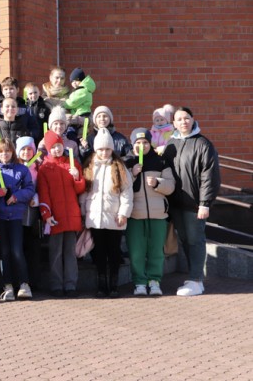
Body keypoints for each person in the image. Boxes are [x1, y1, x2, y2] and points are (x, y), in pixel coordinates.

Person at [163, 107, 220, 296]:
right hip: (176, 204)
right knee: (185, 240)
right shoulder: (171, 143)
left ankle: (196, 280)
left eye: (186, 118)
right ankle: (194, 277)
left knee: (196, 240)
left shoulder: (203, 144)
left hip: (195, 204)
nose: (183, 122)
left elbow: (209, 176)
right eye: (179, 119)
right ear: (174, 123)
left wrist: (205, 203)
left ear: (193, 120)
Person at [80, 128, 133, 298]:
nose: (104, 152)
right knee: (99, 252)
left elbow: (127, 192)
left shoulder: (119, 166)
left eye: (107, 149)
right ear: (96, 149)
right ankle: (102, 284)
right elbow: (84, 192)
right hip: (95, 217)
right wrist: (83, 212)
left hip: (114, 216)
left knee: (114, 251)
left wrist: (123, 213)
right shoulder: (89, 166)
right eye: (101, 149)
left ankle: (114, 284)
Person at [124, 128, 175, 297]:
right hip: (135, 215)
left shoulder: (161, 162)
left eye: (145, 142)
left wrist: (158, 183)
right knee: (136, 251)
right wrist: (133, 174)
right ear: (132, 144)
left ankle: (154, 281)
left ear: (150, 143)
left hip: (158, 214)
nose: (142, 146)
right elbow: (119, 187)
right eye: (138, 143)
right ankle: (139, 282)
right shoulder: (127, 162)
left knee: (156, 251)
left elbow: (170, 186)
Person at [0, 139, 36, 301]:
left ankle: (24, 284)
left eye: (7, 151)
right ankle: (7, 286)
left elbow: (29, 189)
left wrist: (15, 196)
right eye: (0, 152)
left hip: (16, 216)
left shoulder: (22, 170)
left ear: (12, 152)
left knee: (17, 251)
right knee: (4, 252)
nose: (4, 154)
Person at [37, 130, 86, 297]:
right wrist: (46, 214)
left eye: (58, 146)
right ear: (48, 149)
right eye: (53, 147)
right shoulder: (45, 167)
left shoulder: (72, 163)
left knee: (70, 252)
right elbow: (43, 193)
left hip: (71, 214)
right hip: (55, 216)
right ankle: (57, 284)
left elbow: (80, 189)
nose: (57, 150)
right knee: (56, 252)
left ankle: (71, 284)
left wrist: (77, 176)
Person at [16, 136, 43, 292]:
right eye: (23, 149)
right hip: (18, 215)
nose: (26, 152)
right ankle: (21, 280)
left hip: (33, 215)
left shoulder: (39, 167)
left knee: (34, 249)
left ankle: (34, 281)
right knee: (20, 247)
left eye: (29, 149)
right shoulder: (15, 167)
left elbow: (43, 186)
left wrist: (37, 197)